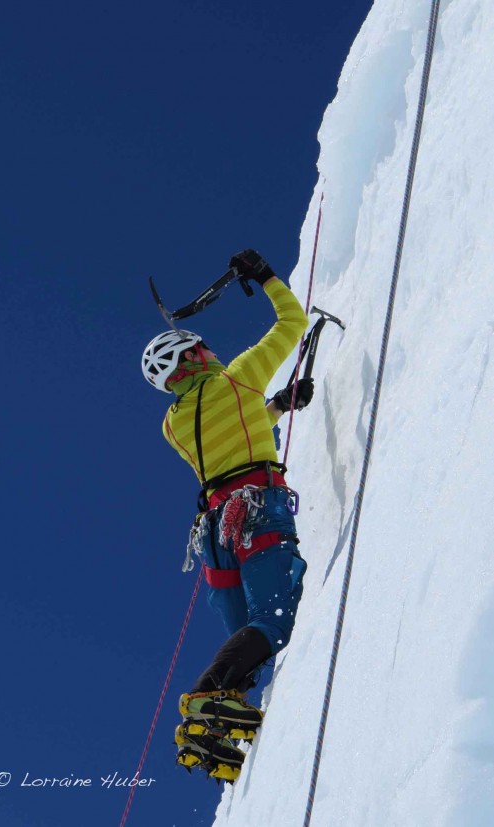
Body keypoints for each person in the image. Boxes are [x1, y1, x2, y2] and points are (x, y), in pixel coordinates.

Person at [141, 249, 314, 781]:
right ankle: (206, 698)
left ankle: (207, 728)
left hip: (217, 533)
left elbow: (231, 435)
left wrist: (279, 407)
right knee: (274, 620)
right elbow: (294, 322)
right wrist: (262, 275)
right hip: (257, 511)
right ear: (190, 359)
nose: (210, 350)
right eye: (201, 347)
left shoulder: (172, 428)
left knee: (248, 638)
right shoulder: (237, 379)